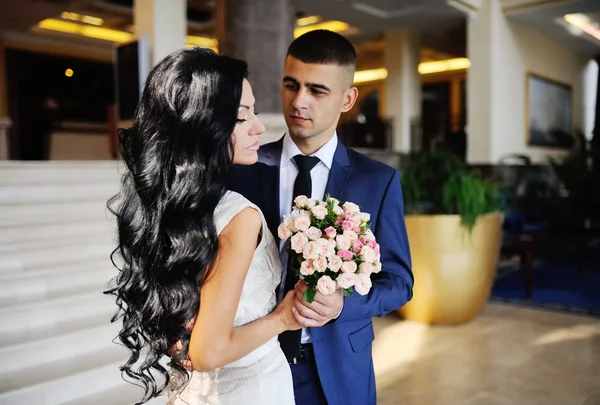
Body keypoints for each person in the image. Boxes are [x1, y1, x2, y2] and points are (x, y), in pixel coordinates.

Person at [227, 29, 414, 405]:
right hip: (252, 359)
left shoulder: (376, 180)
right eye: (291, 85)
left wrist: (345, 305)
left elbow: (400, 281)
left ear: (348, 99)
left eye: (317, 90)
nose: (299, 102)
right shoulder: (241, 167)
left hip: (339, 368)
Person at [105, 47, 300, 405]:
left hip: (194, 391)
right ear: (203, 126)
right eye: (242, 118)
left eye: (254, 112)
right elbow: (209, 351)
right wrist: (283, 318)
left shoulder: (169, 207)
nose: (259, 127)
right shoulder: (239, 216)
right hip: (251, 388)